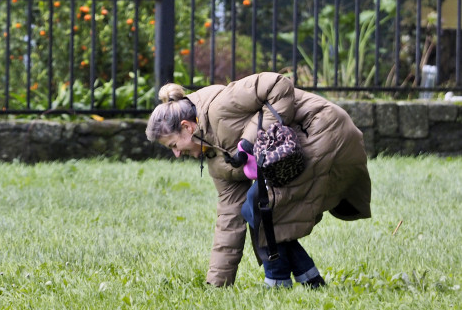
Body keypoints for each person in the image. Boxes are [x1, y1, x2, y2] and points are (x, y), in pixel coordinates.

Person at [146, 72, 371, 288]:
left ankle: (277, 283)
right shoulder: (214, 157)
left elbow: (278, 84)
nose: (176, 154)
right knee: (257, 206)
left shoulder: (221, 106)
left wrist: (247, 142)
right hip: (299, 148)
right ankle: (310, 279)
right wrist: (218, 283)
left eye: (174, 145)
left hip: (323, 129)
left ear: (186, 127)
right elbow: (229, 216)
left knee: (262, 204)